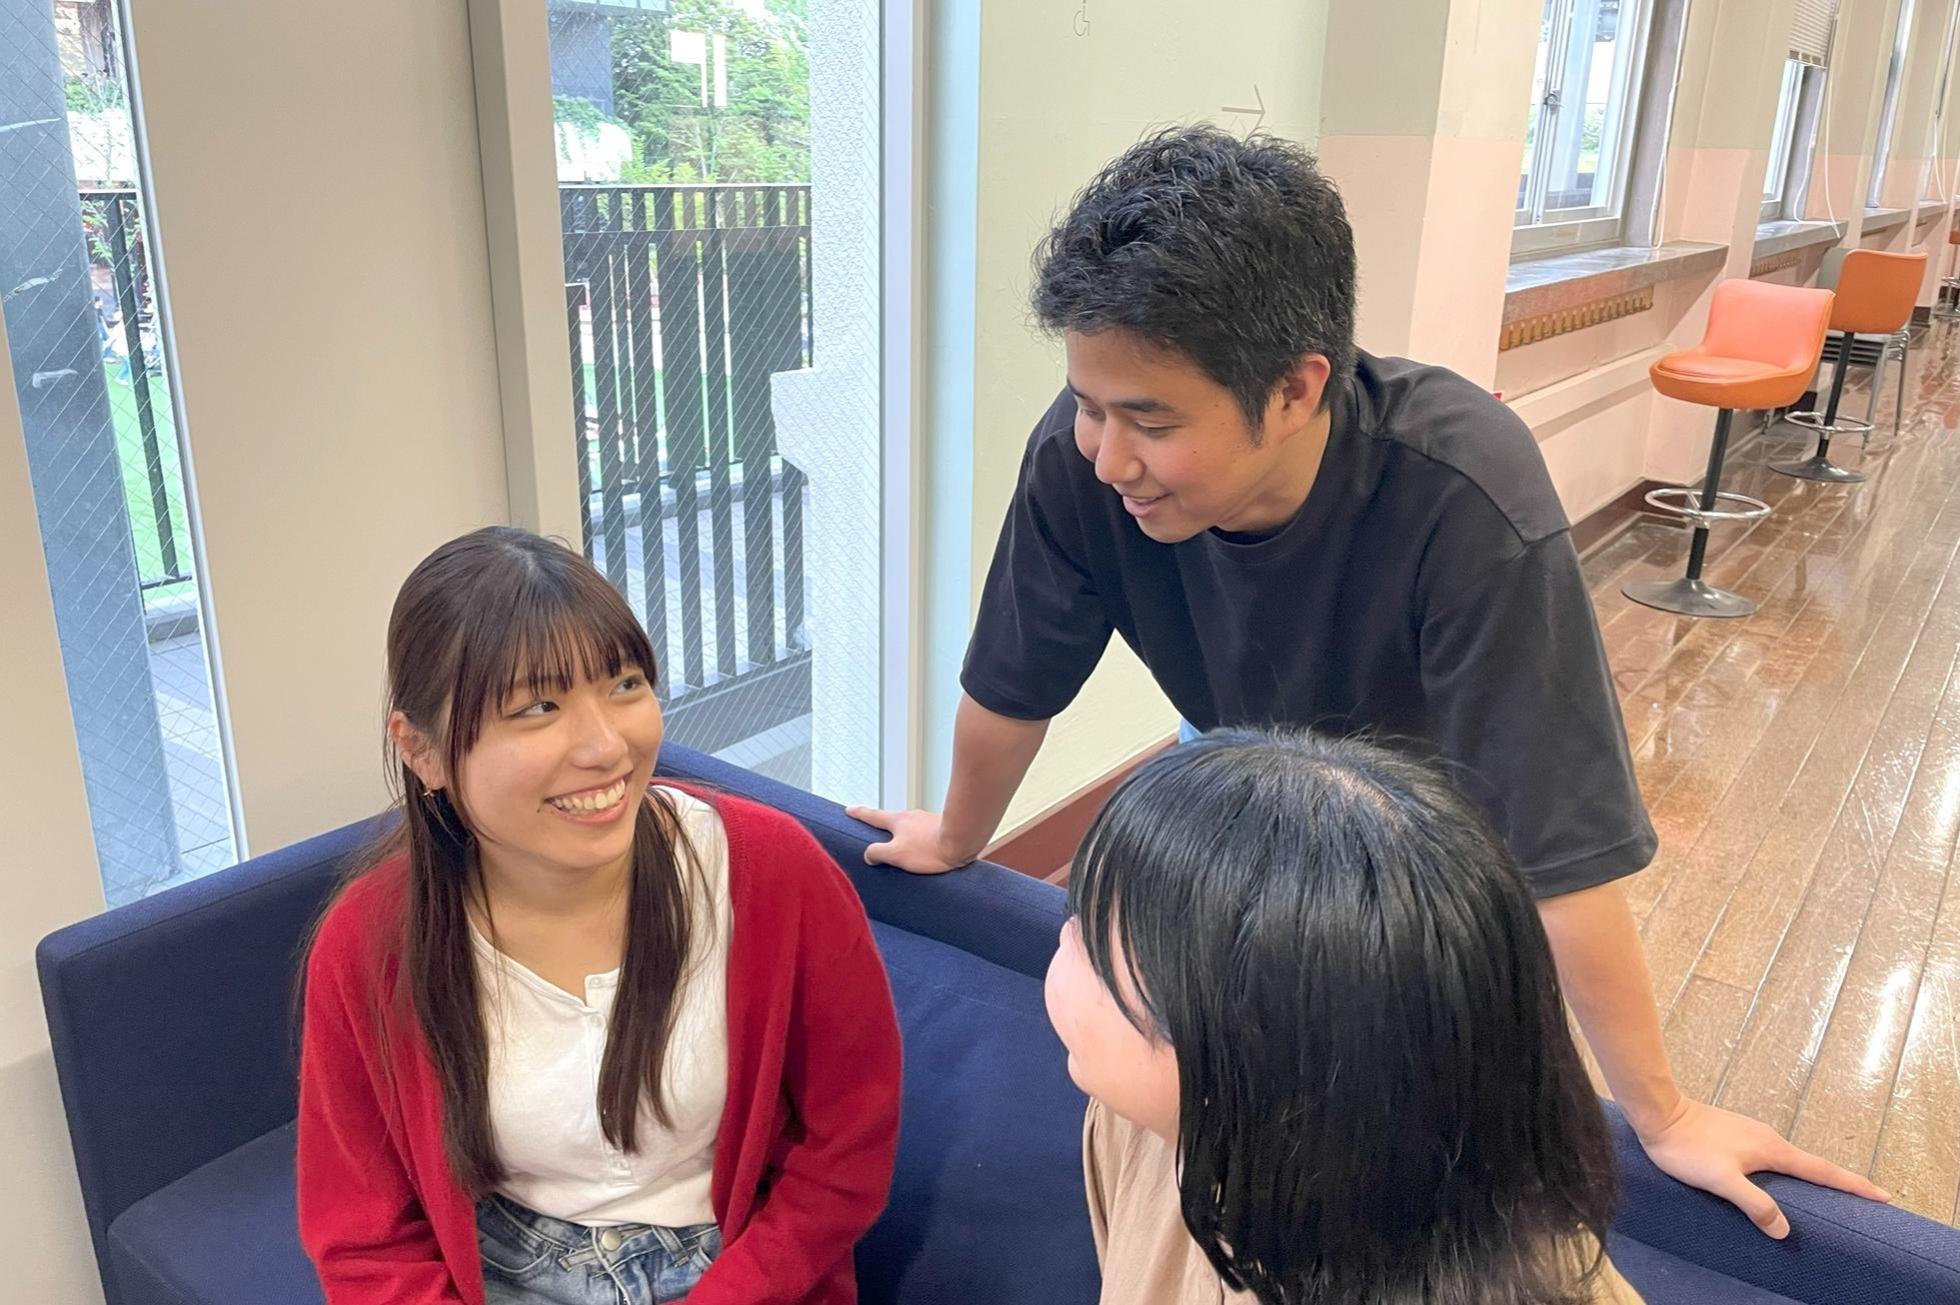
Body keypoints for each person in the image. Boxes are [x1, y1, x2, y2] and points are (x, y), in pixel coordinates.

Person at [851, 124, 1888, 1232]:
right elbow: (1015, 679)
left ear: (1296, 388)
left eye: (1149, 420)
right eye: (1090, 405)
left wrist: (1664, 1115)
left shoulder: (1463, 493)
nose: (1107, 456)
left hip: (1428, 824)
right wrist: (958, 839)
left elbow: (1556, 852)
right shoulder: (1083, 456)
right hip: (1248, 763)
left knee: (1409, 1107)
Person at [298, 527, 901, 1305]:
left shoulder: (771, 872)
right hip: (501, 1267)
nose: (606, 745)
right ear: (423, 751)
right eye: (537, 706)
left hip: (738, 1269)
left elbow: (847, 1146)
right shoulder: (369, 942)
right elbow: (364, 1237)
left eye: (624, 683)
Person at [1044, 728, 1645, 1305]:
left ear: (1266, 1058)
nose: (1065, 937)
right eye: (1081, 915)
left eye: (1094, 943)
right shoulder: (1147, 1125)